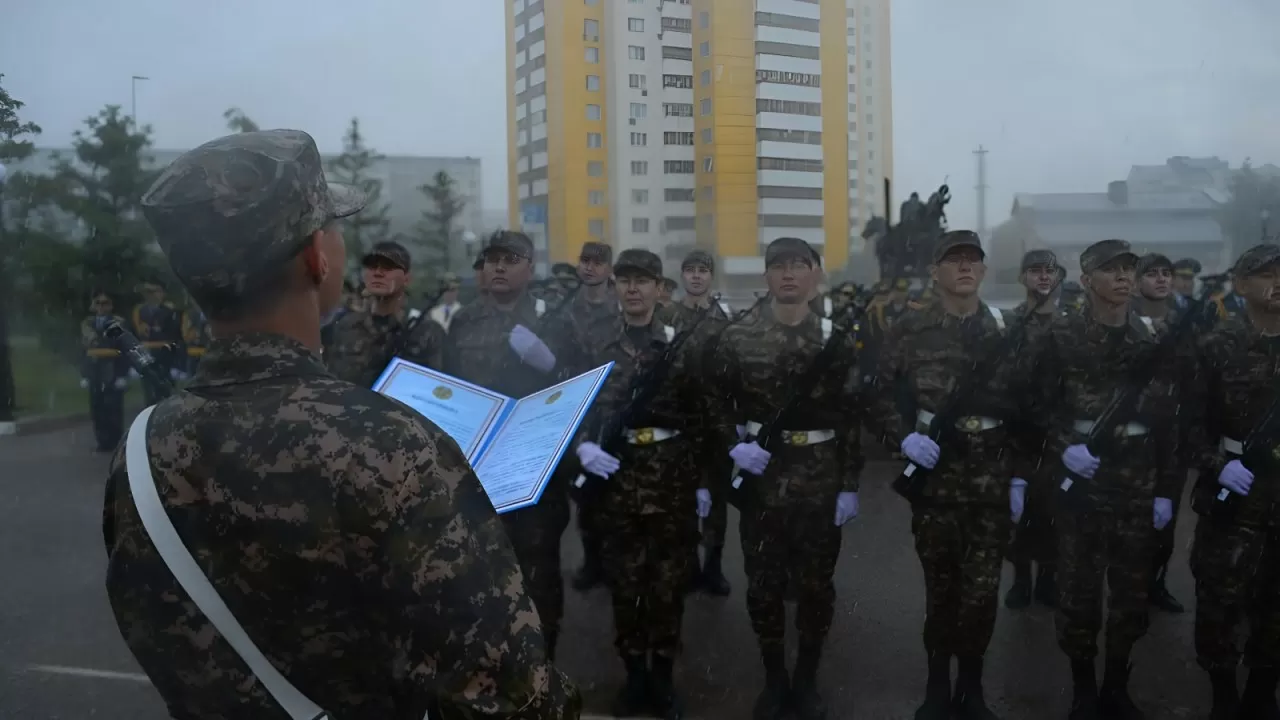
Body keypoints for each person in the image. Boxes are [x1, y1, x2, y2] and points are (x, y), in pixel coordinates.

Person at [105, 129, 579, 719]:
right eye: (334, 226)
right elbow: (517, 699)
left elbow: (160, 634)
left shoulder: (142, 449)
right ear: (317, 257)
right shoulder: (394, 448)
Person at [878, 231, 1036, 720]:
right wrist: (902, 437)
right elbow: (878, 393)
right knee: (941, 588)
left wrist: (1020, 477)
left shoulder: (1007, 328)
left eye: (973, 260)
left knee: (982, 591)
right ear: (934, 271)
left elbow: (1031, 409)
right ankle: (936, 684)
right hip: (935, 477)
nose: (965, 268)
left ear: (985, 271)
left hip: (991, 477)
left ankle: (973, 687)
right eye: (954, 260)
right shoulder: (908, 328)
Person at [705, 237, 862, 720]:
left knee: (816, 587)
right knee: (763, 586)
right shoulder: (738, 335)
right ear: (766, 276)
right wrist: (734, 445)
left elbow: (853, 413)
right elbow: (712, 400)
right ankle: (774, 679)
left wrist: (850, 485)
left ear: (815, 274)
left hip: (819, 477)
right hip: (763, 480)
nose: (788, 274)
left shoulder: (837, 336)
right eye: (779, 266)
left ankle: (808, 680)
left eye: (799, 265)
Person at [1024, 239, 1181, 719]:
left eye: (1129, 269)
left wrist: (1165, 492)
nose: (1122, 277)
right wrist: (1063, 446)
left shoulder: (1154, 340)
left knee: (1132, 593)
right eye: (1110, 269)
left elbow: (1173, 422)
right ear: (1086, 279)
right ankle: (1083, 689)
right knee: (1078, 592)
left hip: (1136, 478)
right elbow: (1034, 406)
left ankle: (1117, 683)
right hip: (1082, 478)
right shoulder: (1060, 336)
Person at [572, 248, 703, 719]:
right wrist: (583, 446)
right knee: (626, 587)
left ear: (658, 288)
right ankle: (634, 678)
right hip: (616, 479)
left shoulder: (680, 342)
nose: (632, 288)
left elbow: (701, 415)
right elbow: (577, 406)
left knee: (668, 587)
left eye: (642, 280)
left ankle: (663, 679)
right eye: (625, 279)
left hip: (670, 480)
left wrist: (704, 483)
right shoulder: (595, 342)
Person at [443, 229, 582, 660]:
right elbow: (447, 388)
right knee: (479, 580)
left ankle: (540, 672)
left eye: (510, 258)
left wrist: (551, 364)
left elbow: (583, 387)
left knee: (537, 579)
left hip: (533, 475)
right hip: (477, 473)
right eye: (492, 259)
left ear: (530, 266)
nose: (499, 266)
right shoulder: (465, 320)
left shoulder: (555, 319)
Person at [1187, 243, 1280, 720]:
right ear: (1241, 285)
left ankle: (1264, 691)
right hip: (1236, 494)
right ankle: (1223, 695)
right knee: (1220, 598)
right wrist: (1216, 463)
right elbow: (1188, 424)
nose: (1278, 281)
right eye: (1266, 273)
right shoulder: (1216, 346)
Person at [664, 249, 733, 596]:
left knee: (717, 498)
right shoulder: (667, 316)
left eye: (702, 271)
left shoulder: (725, 318)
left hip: (715, 422)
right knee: (682, 497)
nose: (695, 276)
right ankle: (688, 565)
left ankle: (714, 567)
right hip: (680, 420)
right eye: (690, 270)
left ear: (711, 276)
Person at [1004, 249, 1067, 611]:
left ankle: (1047, 579)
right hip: (1017, 432)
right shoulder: (1010, 323)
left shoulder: (1071, 325)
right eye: (1035, 271)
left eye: (1050, 271)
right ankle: (1021, 580)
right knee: (1018, 511)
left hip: (1058, 433)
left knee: (1054, 509)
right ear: (1022, 277)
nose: (1043, 277)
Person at [1133, 252, 1191, 614]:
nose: (1161, 280)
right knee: (1127, 518)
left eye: (1166, 274)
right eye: (1152, 274)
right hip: (1133, 436)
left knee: (1165, 517)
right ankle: (1129, 587)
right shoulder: (1123, 321)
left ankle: (1156, 582)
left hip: (1174, 436)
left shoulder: (1187, 322)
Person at [565, 241, 622, 592]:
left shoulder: (621, 306)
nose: (590, 268)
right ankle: (591, 560)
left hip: (615, 403)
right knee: (584, 491)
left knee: (615, 486)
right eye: (585, 261)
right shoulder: (565, 309)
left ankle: (617, 559)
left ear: (608, 269)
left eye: (598, 263)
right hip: (578, 405)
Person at [323, 241, 445, 387]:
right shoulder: (342, 327)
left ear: (407, 279)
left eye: (388, 267)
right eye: (372, 266)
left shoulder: (427, 333)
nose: (378, 273)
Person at [80, 289, 130, 453]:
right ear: (93, 305)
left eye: (105, 303)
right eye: (98, 303)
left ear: (111, 306)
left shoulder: (118, 322)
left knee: (113, 408)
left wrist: (123, 374)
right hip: (94, 370)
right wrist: (84, 374)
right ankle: (102, 441)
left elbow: (125, 349)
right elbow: (82, 352)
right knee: (97, 407)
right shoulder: (87, 324)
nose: (101, 307)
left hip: (113, 368)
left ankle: (116, 440)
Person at [130, 278, 184, 402]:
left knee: (165, 395)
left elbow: (175, 337)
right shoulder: (139, 312)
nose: (152, 295)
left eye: (156, 291)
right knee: (149, 395)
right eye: (149, 292)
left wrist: (177, 364)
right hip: (146, 357)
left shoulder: (170, 312)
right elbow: (133, 335)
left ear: (163, 294)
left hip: (165, 357)